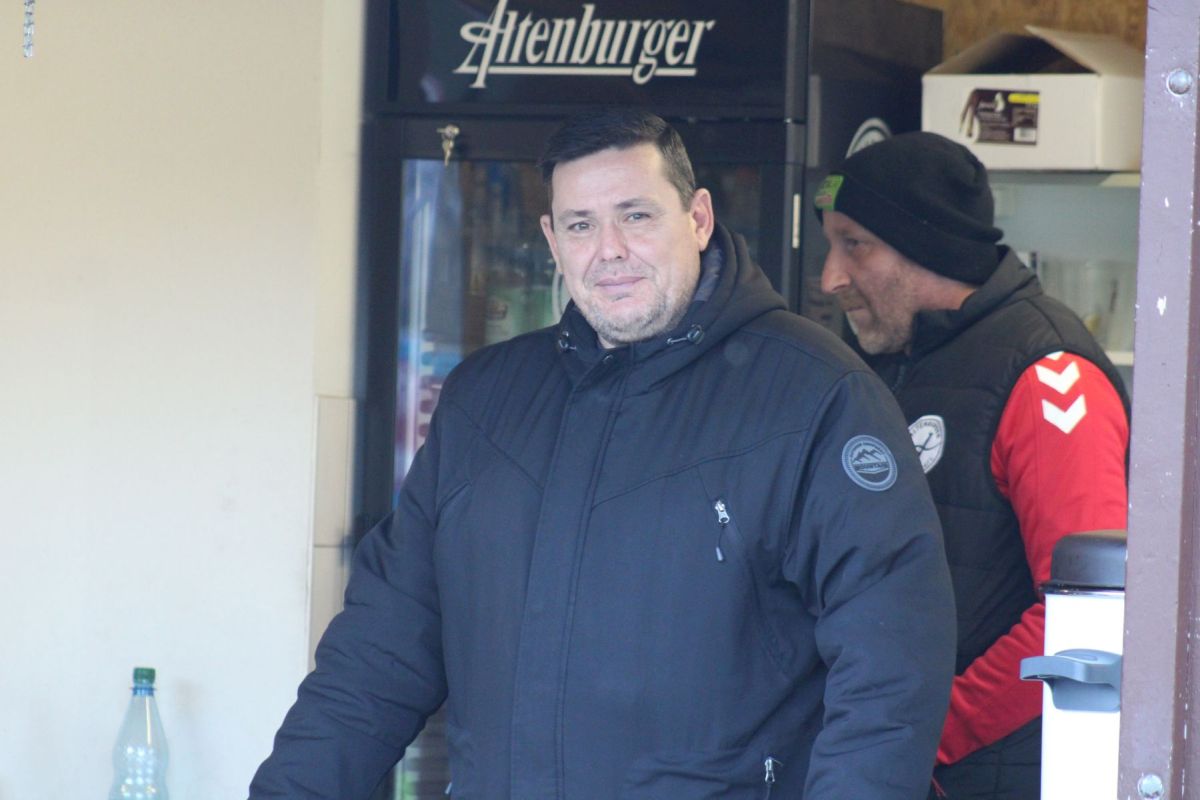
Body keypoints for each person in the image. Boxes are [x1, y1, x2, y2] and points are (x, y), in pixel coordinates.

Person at [249, 109, 956, 799]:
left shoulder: (815, 396)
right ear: (552, 242)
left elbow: (889, 672)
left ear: (699, 219)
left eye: (636, 215)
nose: (609, 249)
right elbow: (377, 654)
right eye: (581, 225)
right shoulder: (484, 402)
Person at [813, 131, 1131, 799]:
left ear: (925, 246)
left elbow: (1084, 618)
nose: (830, 277)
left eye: (854, 244)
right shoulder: (891, 360)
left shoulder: (1049, 377)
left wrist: (930, 731)